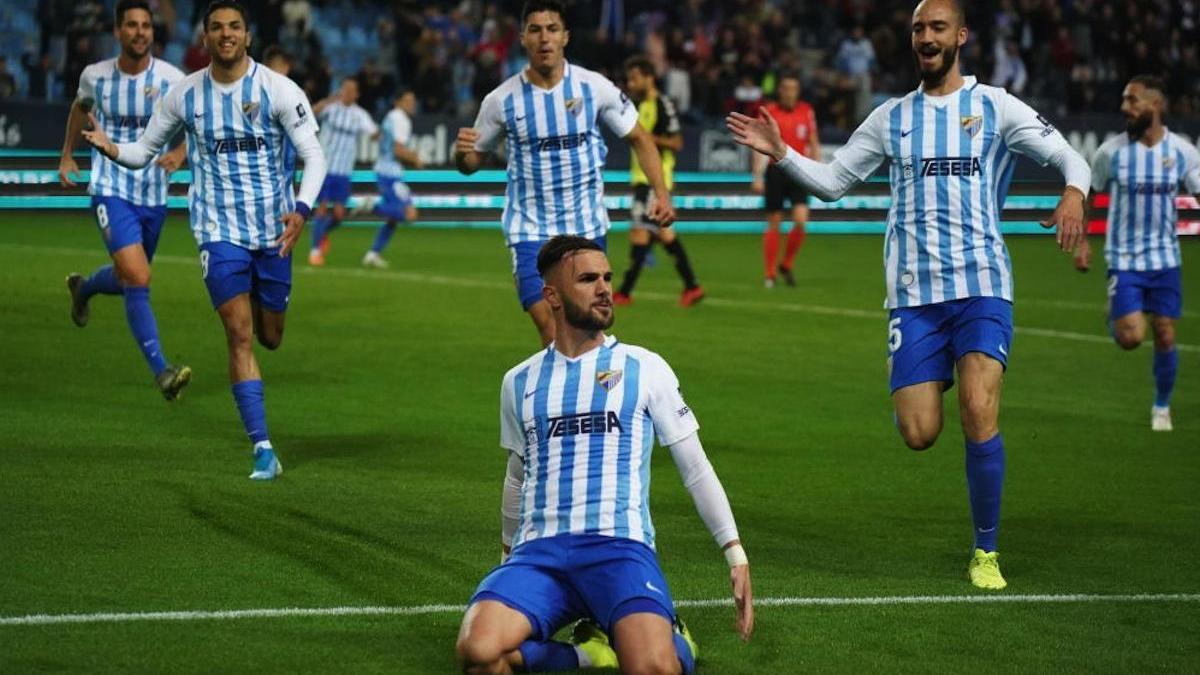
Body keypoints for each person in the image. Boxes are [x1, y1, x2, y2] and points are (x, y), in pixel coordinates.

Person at [727, 0, 1090, 589]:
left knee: (978, 407)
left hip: (982, 286)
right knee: (920, 432)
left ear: (960, 37)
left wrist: (1074, 191)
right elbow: (835, 183)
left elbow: (1070, 156)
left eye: (937, 27)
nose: (926, 36)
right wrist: (783, 154)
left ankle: (986, 552)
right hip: (914, 294)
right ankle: (939, 373)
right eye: (919, 28)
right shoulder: (891, 117)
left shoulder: (994, 107)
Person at [455, 235, 753, 675]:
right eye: (588, 279)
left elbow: (694, 466)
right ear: (552, 296)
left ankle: (677, 643)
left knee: (655, 668)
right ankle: (587, 655)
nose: (604, 288)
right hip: (539, 555)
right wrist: (507, 559)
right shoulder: (518, 381)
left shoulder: (644, 367)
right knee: (479, 654)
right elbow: (517, 475)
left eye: (607, 277)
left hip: (619, 551)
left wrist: (734, 551)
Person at [80, 0, 329, 480]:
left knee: (269, 337)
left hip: (274, 231)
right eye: (216, 27)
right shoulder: (184, 95)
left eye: (234, 26)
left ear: (247, 36)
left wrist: (301, 211)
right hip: (217, 233)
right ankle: (263, 448)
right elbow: (144, 150)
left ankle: (260, 296)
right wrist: (113, 149)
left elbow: (313, 157)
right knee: (238, 334)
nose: (226, 34)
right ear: (205, 38)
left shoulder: (278, 90)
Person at [454, 0, 676, 347]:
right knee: (551, 326)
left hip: (585, 226)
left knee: (588, 327)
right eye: (536, 30)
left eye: (552, 29)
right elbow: (470, 165)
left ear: (565, 37)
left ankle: (590, 397)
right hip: (530, 229)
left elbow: (639, 138)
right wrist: (461, 154)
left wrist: (661, 194)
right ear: (524, 38)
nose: (545, 38)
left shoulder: (593, 87)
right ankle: (560, 399)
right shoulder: (500, 101)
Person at [60, 0, 192, 401]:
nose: (139, 32)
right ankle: (163, 372)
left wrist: (181, 153)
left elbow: (198, 122)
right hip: (110, 187)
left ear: (153, 32)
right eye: (131, 25)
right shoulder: (95, 76)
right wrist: (67, 154)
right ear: (117, 32)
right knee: (138, 277)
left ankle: (84, 288)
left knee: (127, 279)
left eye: (145, 26)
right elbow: (80, 110)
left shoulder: (173, 79)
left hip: (153, 193)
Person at [1074, 76, 1200, 432]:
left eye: (1132, 101)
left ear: (1155, 106)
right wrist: (1082, 242)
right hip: (1124, 259)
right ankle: (1117, 315)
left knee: (1165, 334)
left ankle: (1161, 407)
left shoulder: (1182, 152)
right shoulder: (1110, 153)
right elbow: (1087, 196)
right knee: (1131, 338)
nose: (1124, 107)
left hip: (1165, 260)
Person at [613, 56, 704, 308]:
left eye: (634, 78)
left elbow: (676, 142)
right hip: (642, 179)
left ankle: (623, 292)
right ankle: (693, 287)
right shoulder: (638, 105)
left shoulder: (662, 104)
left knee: (640, 233)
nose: (630, 83)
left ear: (648, 77)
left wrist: (645, 138)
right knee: (665, 235)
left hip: (654, 181)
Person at [752, 72, 820, 288]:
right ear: (780, 91)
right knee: (774, 222)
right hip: (775, 171)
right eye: (786, 88)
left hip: (799, 169)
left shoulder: (806, 111)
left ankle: (787, 264)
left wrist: (817, 170)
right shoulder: (769, 111)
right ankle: (770, 274)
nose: (790, 92)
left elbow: (813, 141)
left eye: (794, 88)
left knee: (801, 220)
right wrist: (757, 176)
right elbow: (758, 144)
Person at [307, 76, 380, 266]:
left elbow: (374, 133)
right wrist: (329, 99)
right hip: (325, 167)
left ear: (357, 94)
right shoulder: (332, 108)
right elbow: (311, 112)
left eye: (351, 90)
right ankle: (315, 251)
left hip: (344, 171)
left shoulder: (360, 115)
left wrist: (381, 136)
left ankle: (321, 234)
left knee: (339, 215)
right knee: (322, 209)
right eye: (345, 88)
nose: (347, 93)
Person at [365, 89, 423, 268]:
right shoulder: (401, 119)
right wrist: (415, 159)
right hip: (389, 173)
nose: (411, 104)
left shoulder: (391, 116)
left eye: (413, 101)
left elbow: (383, 141)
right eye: (407, 100)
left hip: (387, 170)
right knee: (409, 213)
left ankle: (373, 254)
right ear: (397, 102)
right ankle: (371, 205)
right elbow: (398, 150)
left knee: (393, 219)